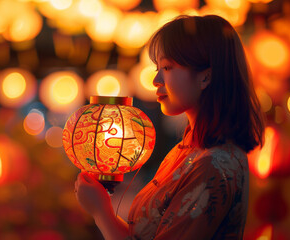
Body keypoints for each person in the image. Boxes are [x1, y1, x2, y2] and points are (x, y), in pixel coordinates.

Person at [74, 15, 265, 240]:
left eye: (166, 67)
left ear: (205, 76)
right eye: (158, 67)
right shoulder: (191, 150)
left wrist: (102, 214)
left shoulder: (213, 166)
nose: (156, 79)